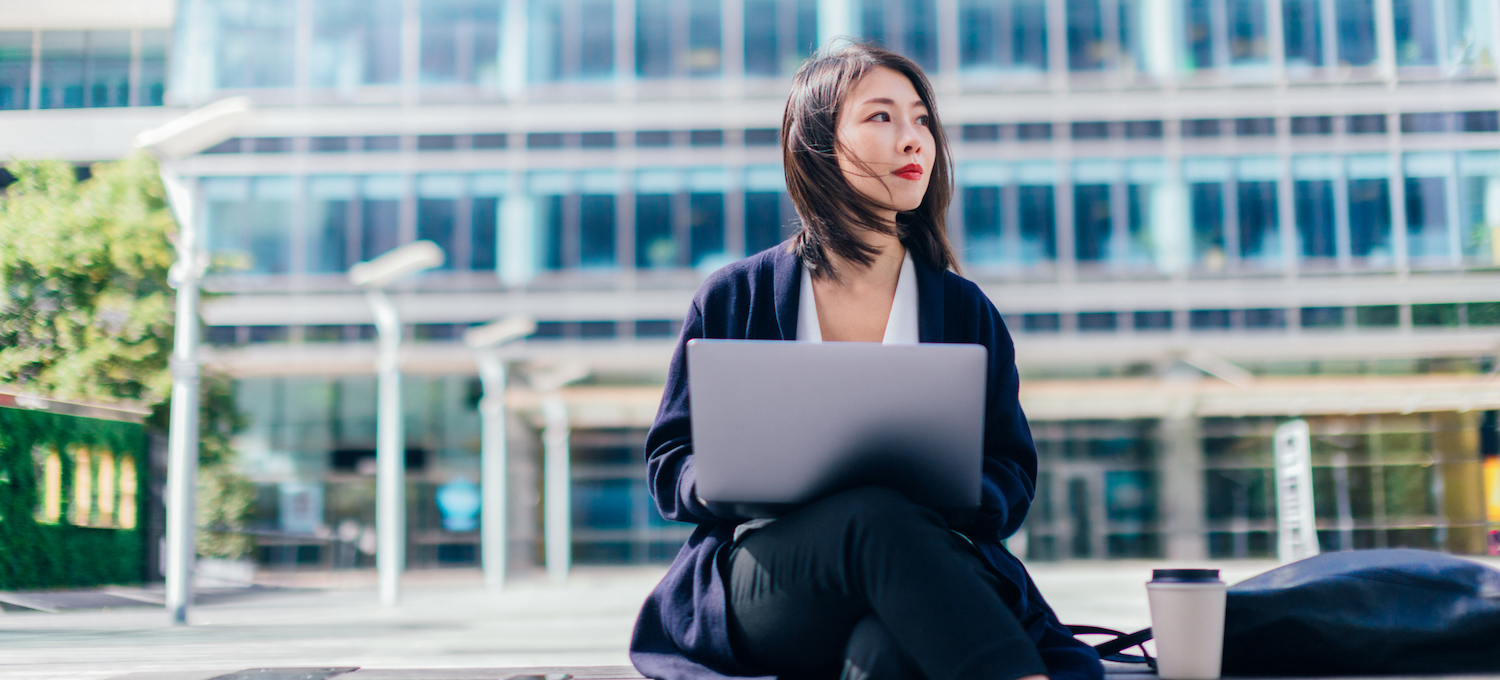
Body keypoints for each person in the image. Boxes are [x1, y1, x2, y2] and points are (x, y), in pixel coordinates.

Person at [629, 41, 1105, 680]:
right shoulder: (735, 296)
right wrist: (718, 477)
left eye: (921, 119)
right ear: (818, 143)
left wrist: (964, 492)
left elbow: (1012, 474)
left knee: (884, 650)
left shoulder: (965, 311)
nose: (914, 141)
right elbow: (669, 463)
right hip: (771, 581)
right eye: (881, 117)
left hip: (920, 564)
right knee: (872, 515)